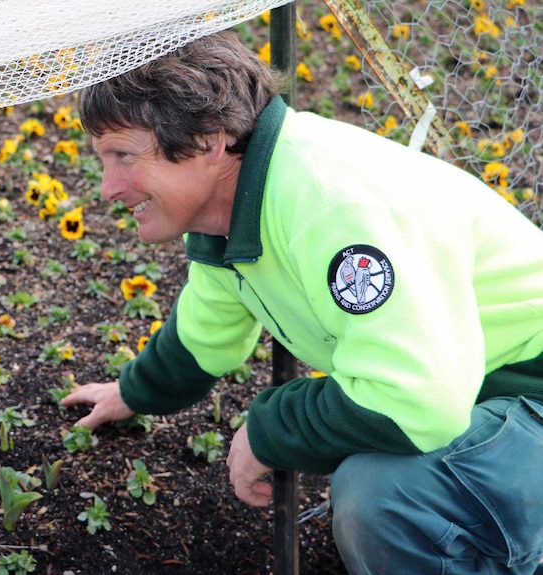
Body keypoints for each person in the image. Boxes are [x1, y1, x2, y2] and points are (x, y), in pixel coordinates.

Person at [60, 30, 543, 574]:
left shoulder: (329, 203)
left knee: (383, 496)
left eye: (123, 155)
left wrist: (269, 430)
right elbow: (204, 335)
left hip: (531, 391)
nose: (107, 188)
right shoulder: (234, 212)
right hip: (481, 392)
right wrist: (131, 391)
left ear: (207, 142)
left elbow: (417, 402)